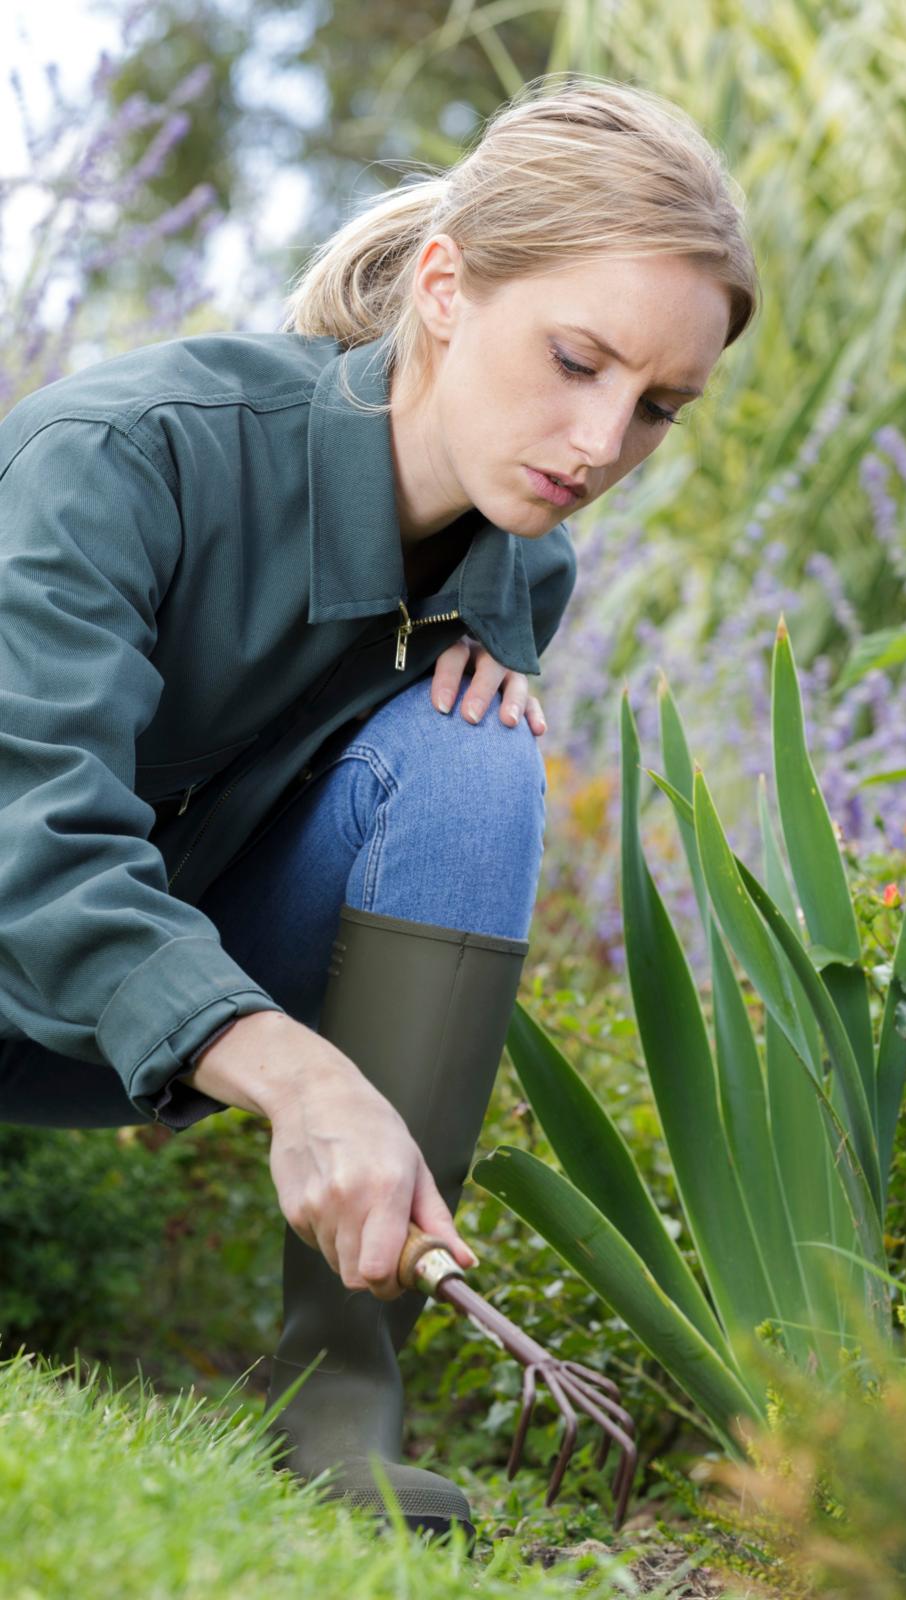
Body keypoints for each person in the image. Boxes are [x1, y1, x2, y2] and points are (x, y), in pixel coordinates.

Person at [0, 74, 758, 1539]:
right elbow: (27, 837)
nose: (601, 444)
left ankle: (339, 1405)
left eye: (658, 406)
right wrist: (298, 1079)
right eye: (577, 360)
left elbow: (420, 747)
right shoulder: (122, 457)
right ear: (445, 287)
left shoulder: (515, 566)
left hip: (120, 1024)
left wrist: (488, 616)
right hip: (30, 923)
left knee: (476, 755)